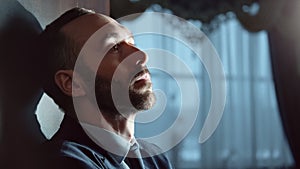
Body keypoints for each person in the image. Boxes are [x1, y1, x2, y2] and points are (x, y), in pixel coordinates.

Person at [39, 7, 173, 169]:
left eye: (132, 42)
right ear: (72, 83)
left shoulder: (154, 158)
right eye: (114, 48)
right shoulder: (66, 163)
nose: (141, 55)